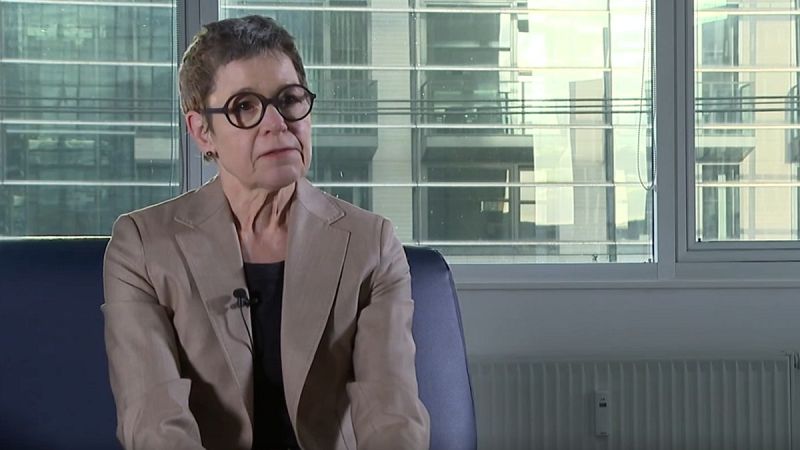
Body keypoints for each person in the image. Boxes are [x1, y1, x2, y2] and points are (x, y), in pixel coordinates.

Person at [102, 15, 430, 450]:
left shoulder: (372, 245)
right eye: (244, 107)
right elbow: (154, 422)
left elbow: (391, 415)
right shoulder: (142, 246)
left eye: (289, 100)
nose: (277, 123)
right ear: (202, 132)